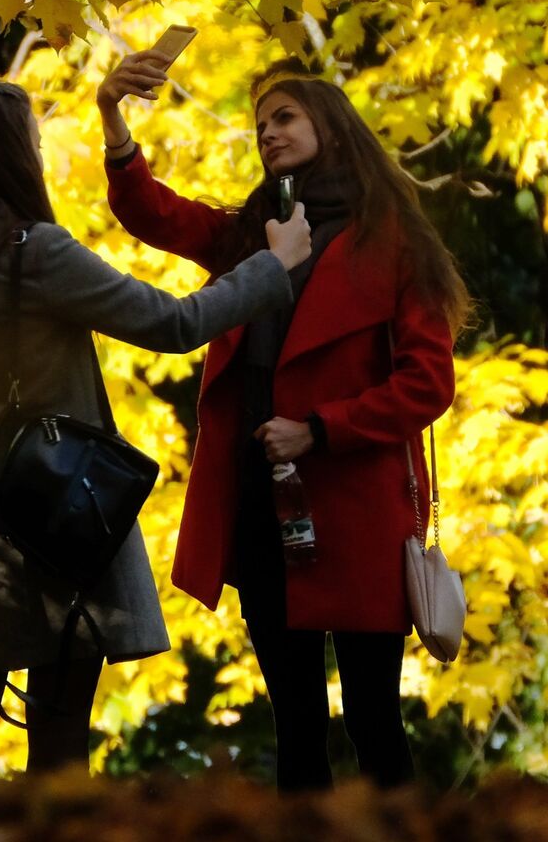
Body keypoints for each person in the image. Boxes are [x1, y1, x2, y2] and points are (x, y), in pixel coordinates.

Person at [0, 73, 312, 772]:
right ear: (11, 153)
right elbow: (175, 322)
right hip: (51, 518)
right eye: (33, 143)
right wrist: (273, 265)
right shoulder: (34, 251)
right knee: (60, 737)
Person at [98, 55, 468, 790]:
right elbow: (154, 212)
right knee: (295, 724)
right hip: (264, 507)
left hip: (358, 510)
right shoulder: (253, 234)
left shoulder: (393, 239)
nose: (268, 133)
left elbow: (428, 382)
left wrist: (320, 429)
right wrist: (112, 114)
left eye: (285, 117)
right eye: (261, 123)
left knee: (373, 720)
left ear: (329, 123)